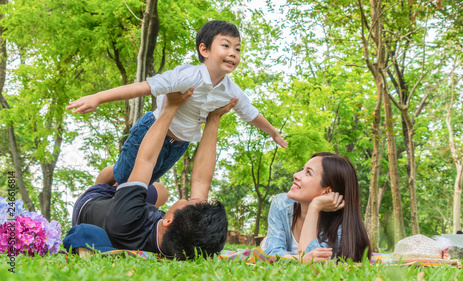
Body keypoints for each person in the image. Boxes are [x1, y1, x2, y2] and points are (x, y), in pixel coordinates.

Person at [66, 20, 287, 187]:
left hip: (179, 145)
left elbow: (251, 114)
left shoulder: (231, 92)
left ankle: (115, 206)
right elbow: (143, 88)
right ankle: (94, 193)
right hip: (152, 132)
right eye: (226, 46)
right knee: (123, 175)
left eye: (237, 49)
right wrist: (98, 98)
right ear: (204, 50)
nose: (233, 53)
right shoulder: (186, 76)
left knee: (142, 184)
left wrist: (273, 133)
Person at [72, 89, 235, 260]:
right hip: (126, 211)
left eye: (188, 201)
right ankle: (126, 189)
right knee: (162, 191)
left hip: (92, 201)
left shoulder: (126, 220)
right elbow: (201, 181)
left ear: (168, 221)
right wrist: (214, 118)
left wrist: (170, 107)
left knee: (121, 174)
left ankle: (115, 184)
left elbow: (146, 160)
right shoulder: (179, 242)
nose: (191, 198)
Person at [261, 152, 371, 262]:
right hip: (274, 244)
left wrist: (314, 207)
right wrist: (299, 259)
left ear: (327, 191)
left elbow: (311, 264)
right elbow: (272, 252)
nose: (296, 175)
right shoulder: (282, 203)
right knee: (265, 244)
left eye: (308, 172)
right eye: (303, 169)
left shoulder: (340, 228)